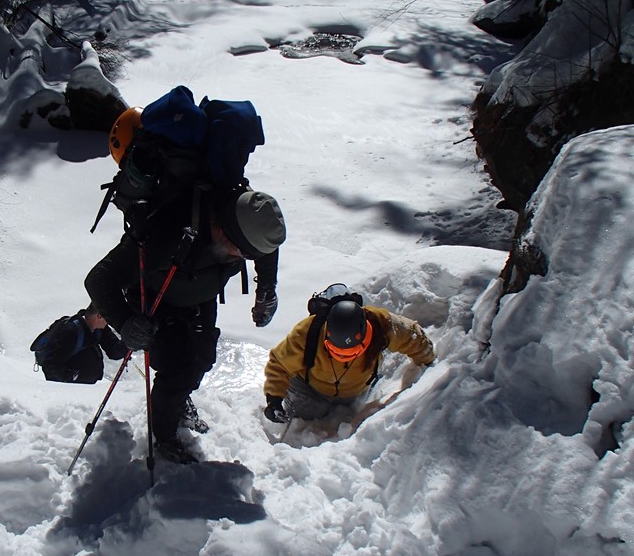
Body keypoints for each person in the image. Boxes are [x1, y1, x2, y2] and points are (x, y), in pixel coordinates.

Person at [86, 188, 286, 463]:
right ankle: (164, 437)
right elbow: (98, 279)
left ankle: (178, 403)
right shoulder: (167, 231)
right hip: (156, 297)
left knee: (203, 359)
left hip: (199, 293)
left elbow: (265, 249)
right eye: (238, 252)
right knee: (176, 371)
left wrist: (267, 288)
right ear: (223, 230)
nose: (239, 259)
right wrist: (125, 323)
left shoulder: (247, 217)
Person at [263, 298, 435, 424]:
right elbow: (279, 363)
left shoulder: (382, 325)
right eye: (337, 351)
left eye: (352, 352)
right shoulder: (307, 333)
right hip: (310, 388)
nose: (345, 356)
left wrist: (428, 362)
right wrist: (274, 399)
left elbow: (412, 336)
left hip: (356, 389)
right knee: (309, 415)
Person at [33, 303, 126, 384]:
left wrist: (129, 342)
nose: (109, 321)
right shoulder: (71, 331)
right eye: (108, 318)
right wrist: (70, 378)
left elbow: (113, 351)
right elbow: (51, 365)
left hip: (88, 389)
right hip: (72, 394)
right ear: (99, 316)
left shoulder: (99, 329)